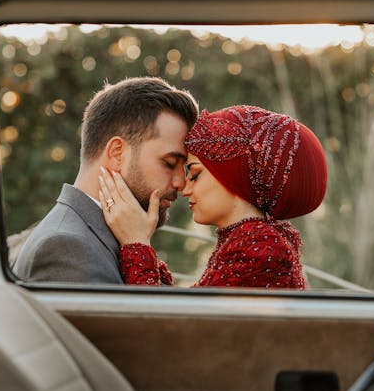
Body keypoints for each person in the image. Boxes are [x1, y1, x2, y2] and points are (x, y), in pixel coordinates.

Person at [99, 105, 327, 289]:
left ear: (234, 177)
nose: (185, 189)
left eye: (195, 174)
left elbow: (174, 335)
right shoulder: (248, 240)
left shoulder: (259, 248)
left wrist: (136, 245)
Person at [13, 77, 199, 283]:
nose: (181, 183)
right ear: (117, 153)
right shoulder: (65, 248)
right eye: (170, 163)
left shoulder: (100, 235)